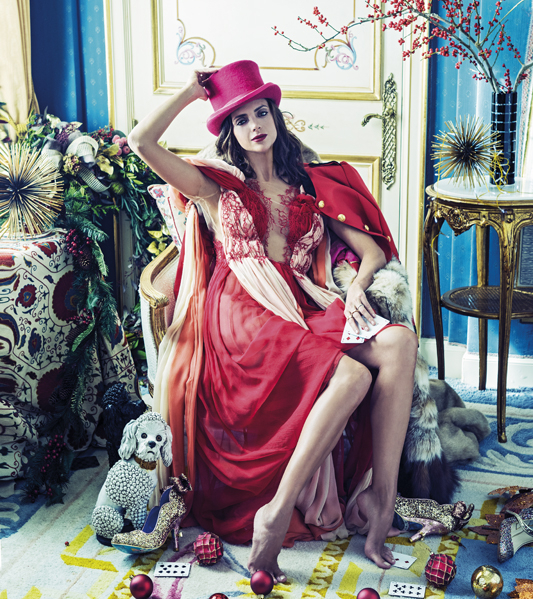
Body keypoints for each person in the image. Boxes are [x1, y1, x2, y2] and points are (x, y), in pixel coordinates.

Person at [128, 60, 418, 580]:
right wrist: (189, 93)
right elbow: (141, 142)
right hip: (241, 311)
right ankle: (275, 514)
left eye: (261, 112)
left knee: (399, 344)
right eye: (240, 120)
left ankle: (382, 496)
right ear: (230, 133)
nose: (254, 125)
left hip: (300, 301)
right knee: (352, 375)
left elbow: (372, 252)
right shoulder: (216, 187)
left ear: (276, 116)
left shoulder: (307, 182)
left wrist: (355, 286)